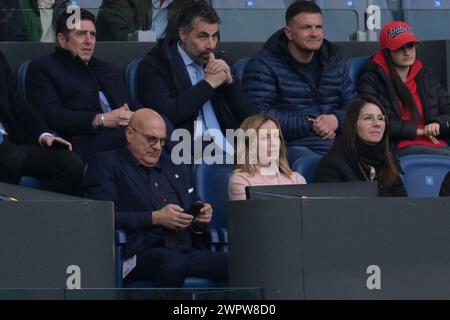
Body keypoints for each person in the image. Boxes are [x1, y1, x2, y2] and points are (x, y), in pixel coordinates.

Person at [84, 108, 227, 287]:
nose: (158, 147)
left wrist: (200, 217)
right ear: (129, 134)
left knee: (235, 264)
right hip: (135, 253)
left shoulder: (174, 165)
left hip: (183, 250)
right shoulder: (107, 164)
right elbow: (101, 218)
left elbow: (193, 205)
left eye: (162, 141)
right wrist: (155, 218)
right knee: (173, 263)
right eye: (151, 139)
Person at [242, 0, 355, 164]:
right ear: (288, 32)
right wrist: (312, 123)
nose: (314, 33)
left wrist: (335, 120)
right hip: (288, 145)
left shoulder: (334, 61)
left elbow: (353, 105)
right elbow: (259, 116)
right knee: (320, 163)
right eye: (306, 27)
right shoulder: (263, 64)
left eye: (319, 27)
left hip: (335, 141)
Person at [138, 2, 256, 157]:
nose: (211, 45)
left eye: (214, 36)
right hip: (182, 146)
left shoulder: (220, 62)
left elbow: (251, 118)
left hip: (226, 142)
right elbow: (166, 116)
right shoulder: (157, 64)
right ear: (183, 34)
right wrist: (207, 85)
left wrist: (230, 84)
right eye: (203, 36)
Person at [26, 9, 140, 163]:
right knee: (135, 138)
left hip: (122, 132)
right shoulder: (43, 68)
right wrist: (99, 119)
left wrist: (139, 117)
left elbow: (131, 105)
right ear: (62, 40)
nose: (89, 41)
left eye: (92, 34)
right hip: (82, 141)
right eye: (81, 34)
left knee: (160, 124)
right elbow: (49, 114)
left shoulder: (108, 69)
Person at [358, 20, 450, 157]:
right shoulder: (372, 77)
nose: (407, 52)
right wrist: (417, 131)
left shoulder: (424, 74)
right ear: (387, 51)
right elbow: (371, 122)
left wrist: (438, 123)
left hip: (436, 142)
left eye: (410, 45)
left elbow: (447, 109)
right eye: (399, 47)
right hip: (398, 146)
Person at [0, 50, 83, 194]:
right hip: (8, 153)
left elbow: (17, 103)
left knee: (71, 163)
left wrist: (44, 135)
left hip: (11, 143)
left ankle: (36, 212)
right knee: (12, 157)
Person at [315, 96, 407, 197]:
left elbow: (404, 206)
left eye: (381, 118)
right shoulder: (333, 164)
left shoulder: (389, 161)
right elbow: (330, 208)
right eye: (368, 118)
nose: (377, 124)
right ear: (353, 124)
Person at [229, 114, 306, 201]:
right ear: (248, 143)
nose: (273, 143)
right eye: (265, 137)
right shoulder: (240, 180)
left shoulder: (297, 179)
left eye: (276, 136)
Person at [96, 0, 205, 41]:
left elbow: (209, 33)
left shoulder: (190, 3)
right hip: (125, 63)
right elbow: (119, 37)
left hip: (169, 68)